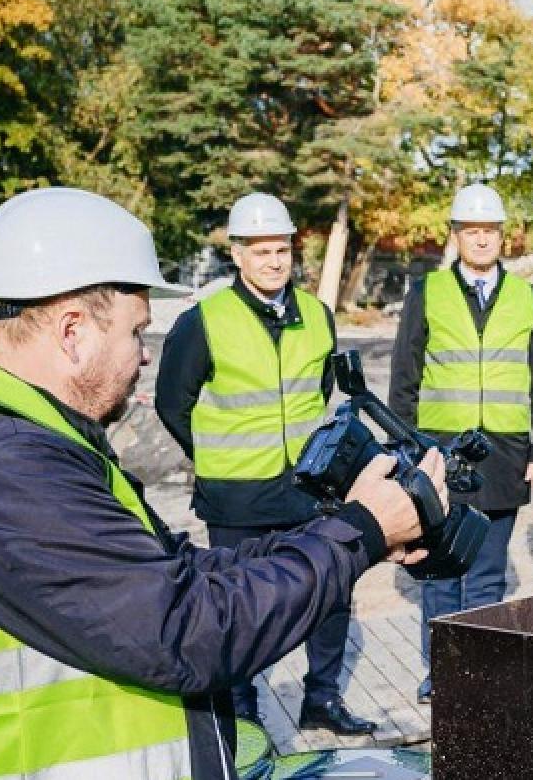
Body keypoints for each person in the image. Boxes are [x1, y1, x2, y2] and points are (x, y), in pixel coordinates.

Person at [0, 187, 432, 778]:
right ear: (73, 332)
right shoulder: (3, 470)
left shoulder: (29, 433)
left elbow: (176, 572)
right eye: (135, 334)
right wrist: (363, 531)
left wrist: (355, 531)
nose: (143, 356)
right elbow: (187, 628)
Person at [155, 193, 373, 734]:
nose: (274, 261)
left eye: (282, 249)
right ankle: (244, 709)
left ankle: (321, 700)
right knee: (239, 608)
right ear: (236, 253)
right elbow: (171, 402)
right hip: (235, 497)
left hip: (308, 490)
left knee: (332, 591)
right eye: (261, 251)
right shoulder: (203, 321)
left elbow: (319, 394)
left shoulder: (319, 317)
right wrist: (213, 452)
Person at [388, 183, 533, 702]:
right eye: (472, 232)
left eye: (490, 231)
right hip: (441, 452)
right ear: (457, 236)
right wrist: (405, 450)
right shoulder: (427, 293)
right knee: (441, 569)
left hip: (506, 454)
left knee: (488, 573)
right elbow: (404, 378)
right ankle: (441, 671)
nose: (482, 240)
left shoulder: (530, 299)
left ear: (501, 235)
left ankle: (482, 668)